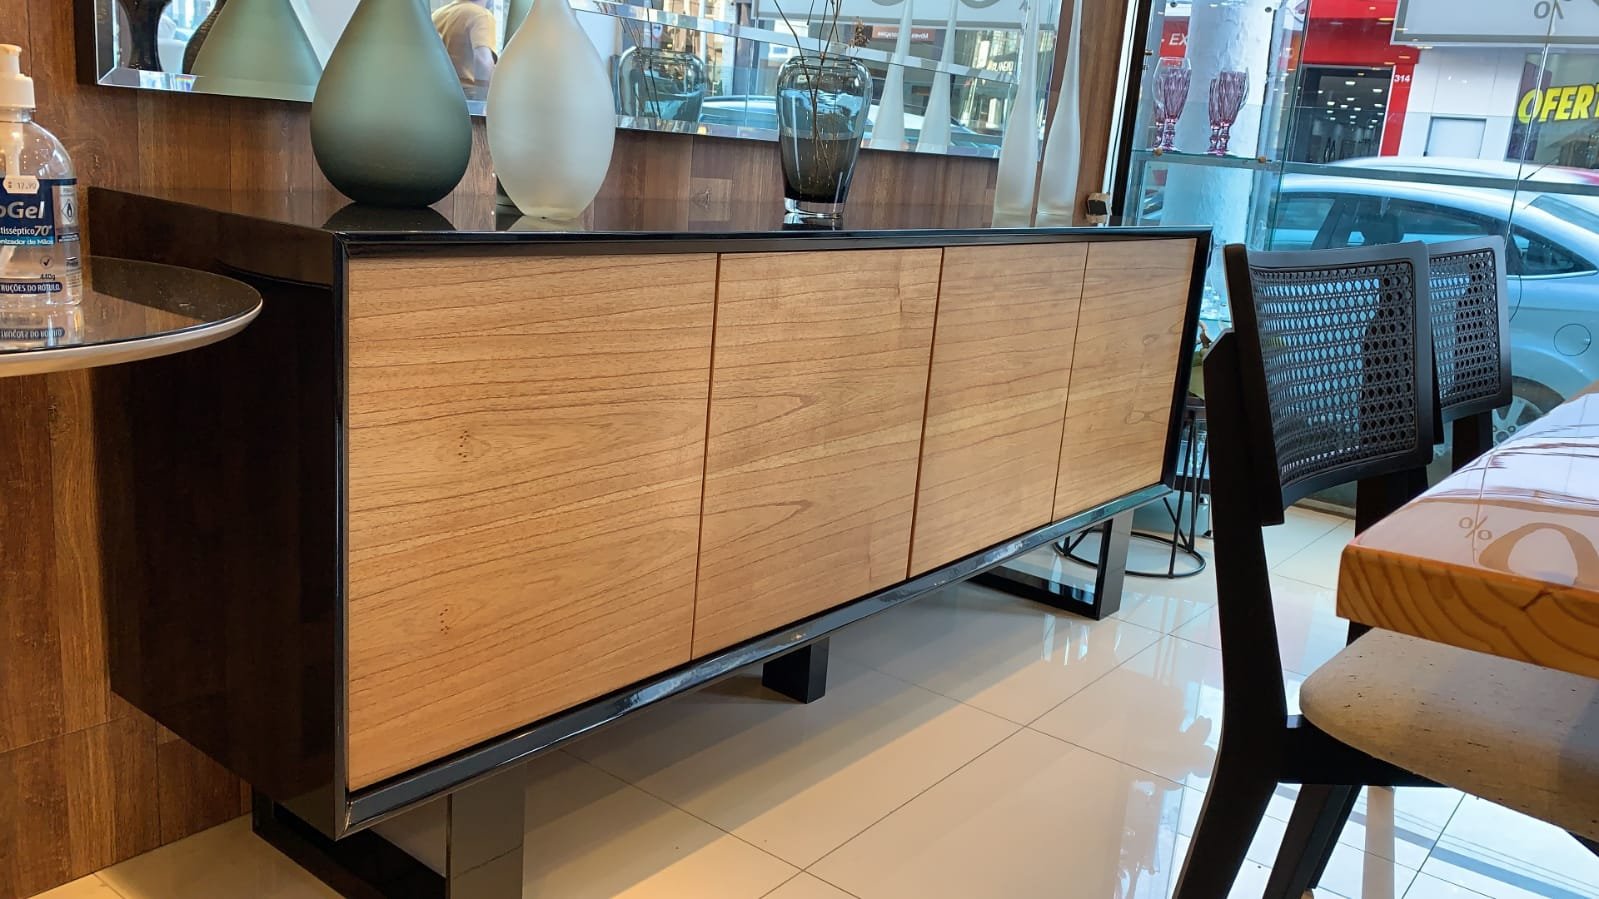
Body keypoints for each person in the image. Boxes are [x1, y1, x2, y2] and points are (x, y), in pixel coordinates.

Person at [432, 0, 497, 89]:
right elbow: (482, 61)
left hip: (439, 91)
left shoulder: (437, 15)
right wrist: (482, 95)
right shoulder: (481, 15)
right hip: (467, 93)